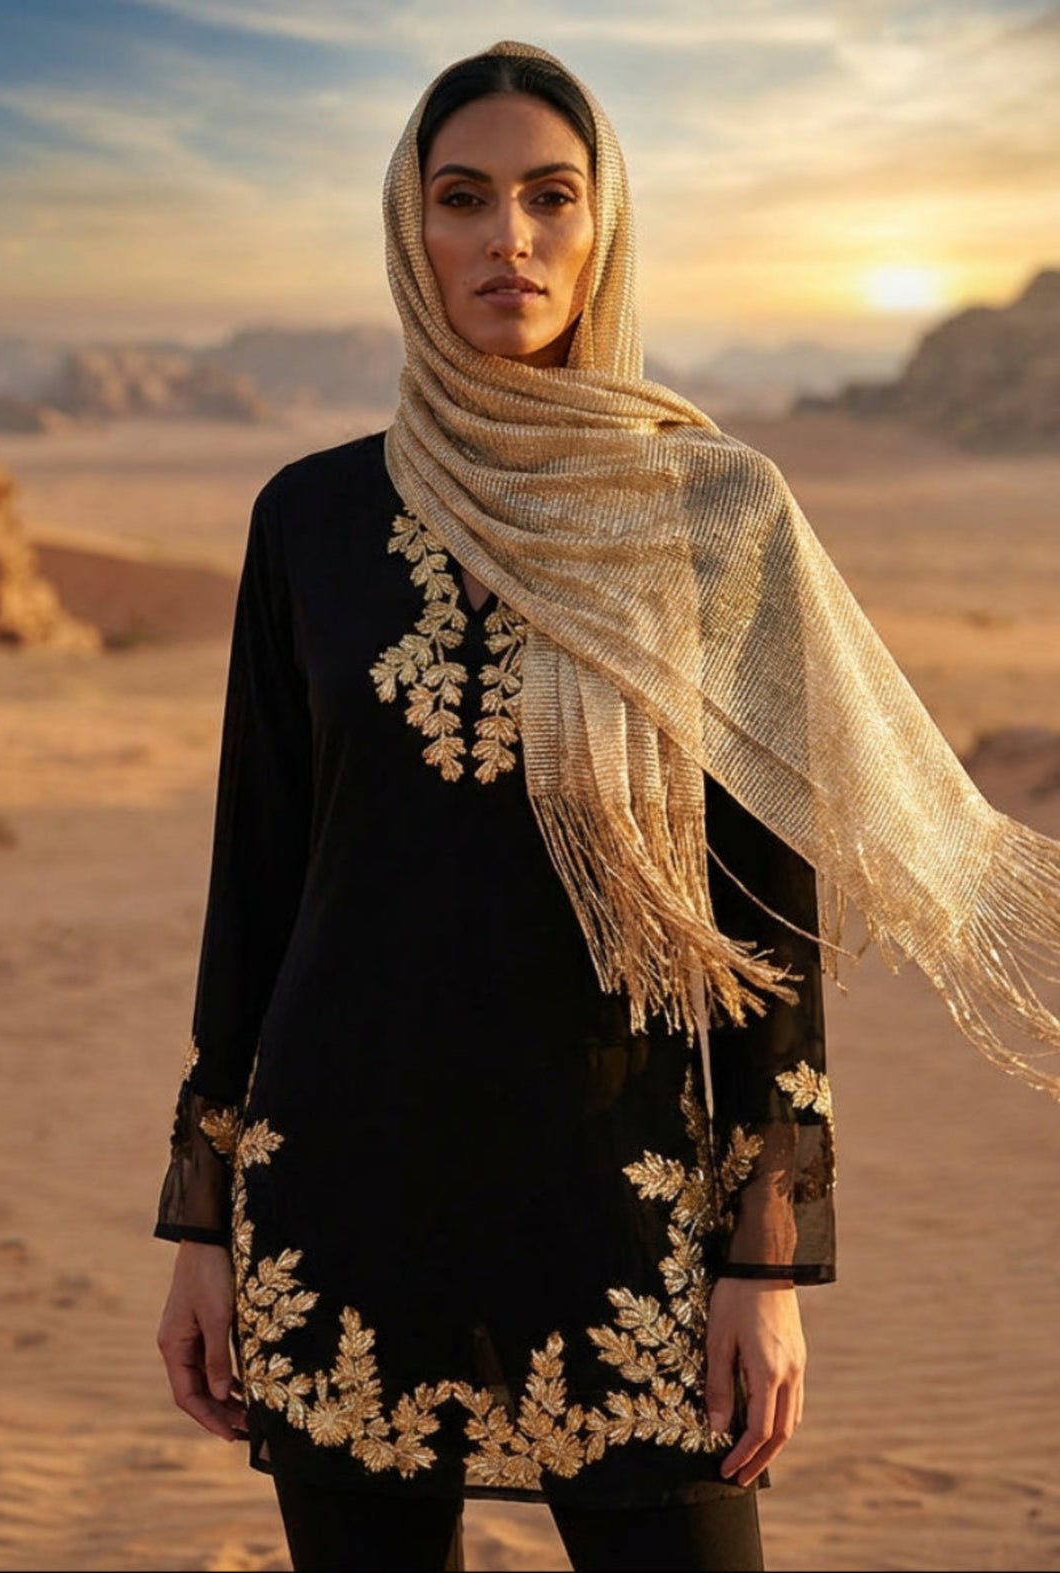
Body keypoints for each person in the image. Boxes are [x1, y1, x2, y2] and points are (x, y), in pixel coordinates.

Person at [155, 41, 1060, 1573]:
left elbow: (768, 913)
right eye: (464, 198)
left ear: (605, 227)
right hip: (344, 1198)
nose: (508, 236)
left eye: (550, 198)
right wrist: (198, 1221)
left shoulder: (716, 512)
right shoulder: (307, 519)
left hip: (621, 1200)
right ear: (408, 230)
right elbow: (258, 882)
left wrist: (763, 1257)